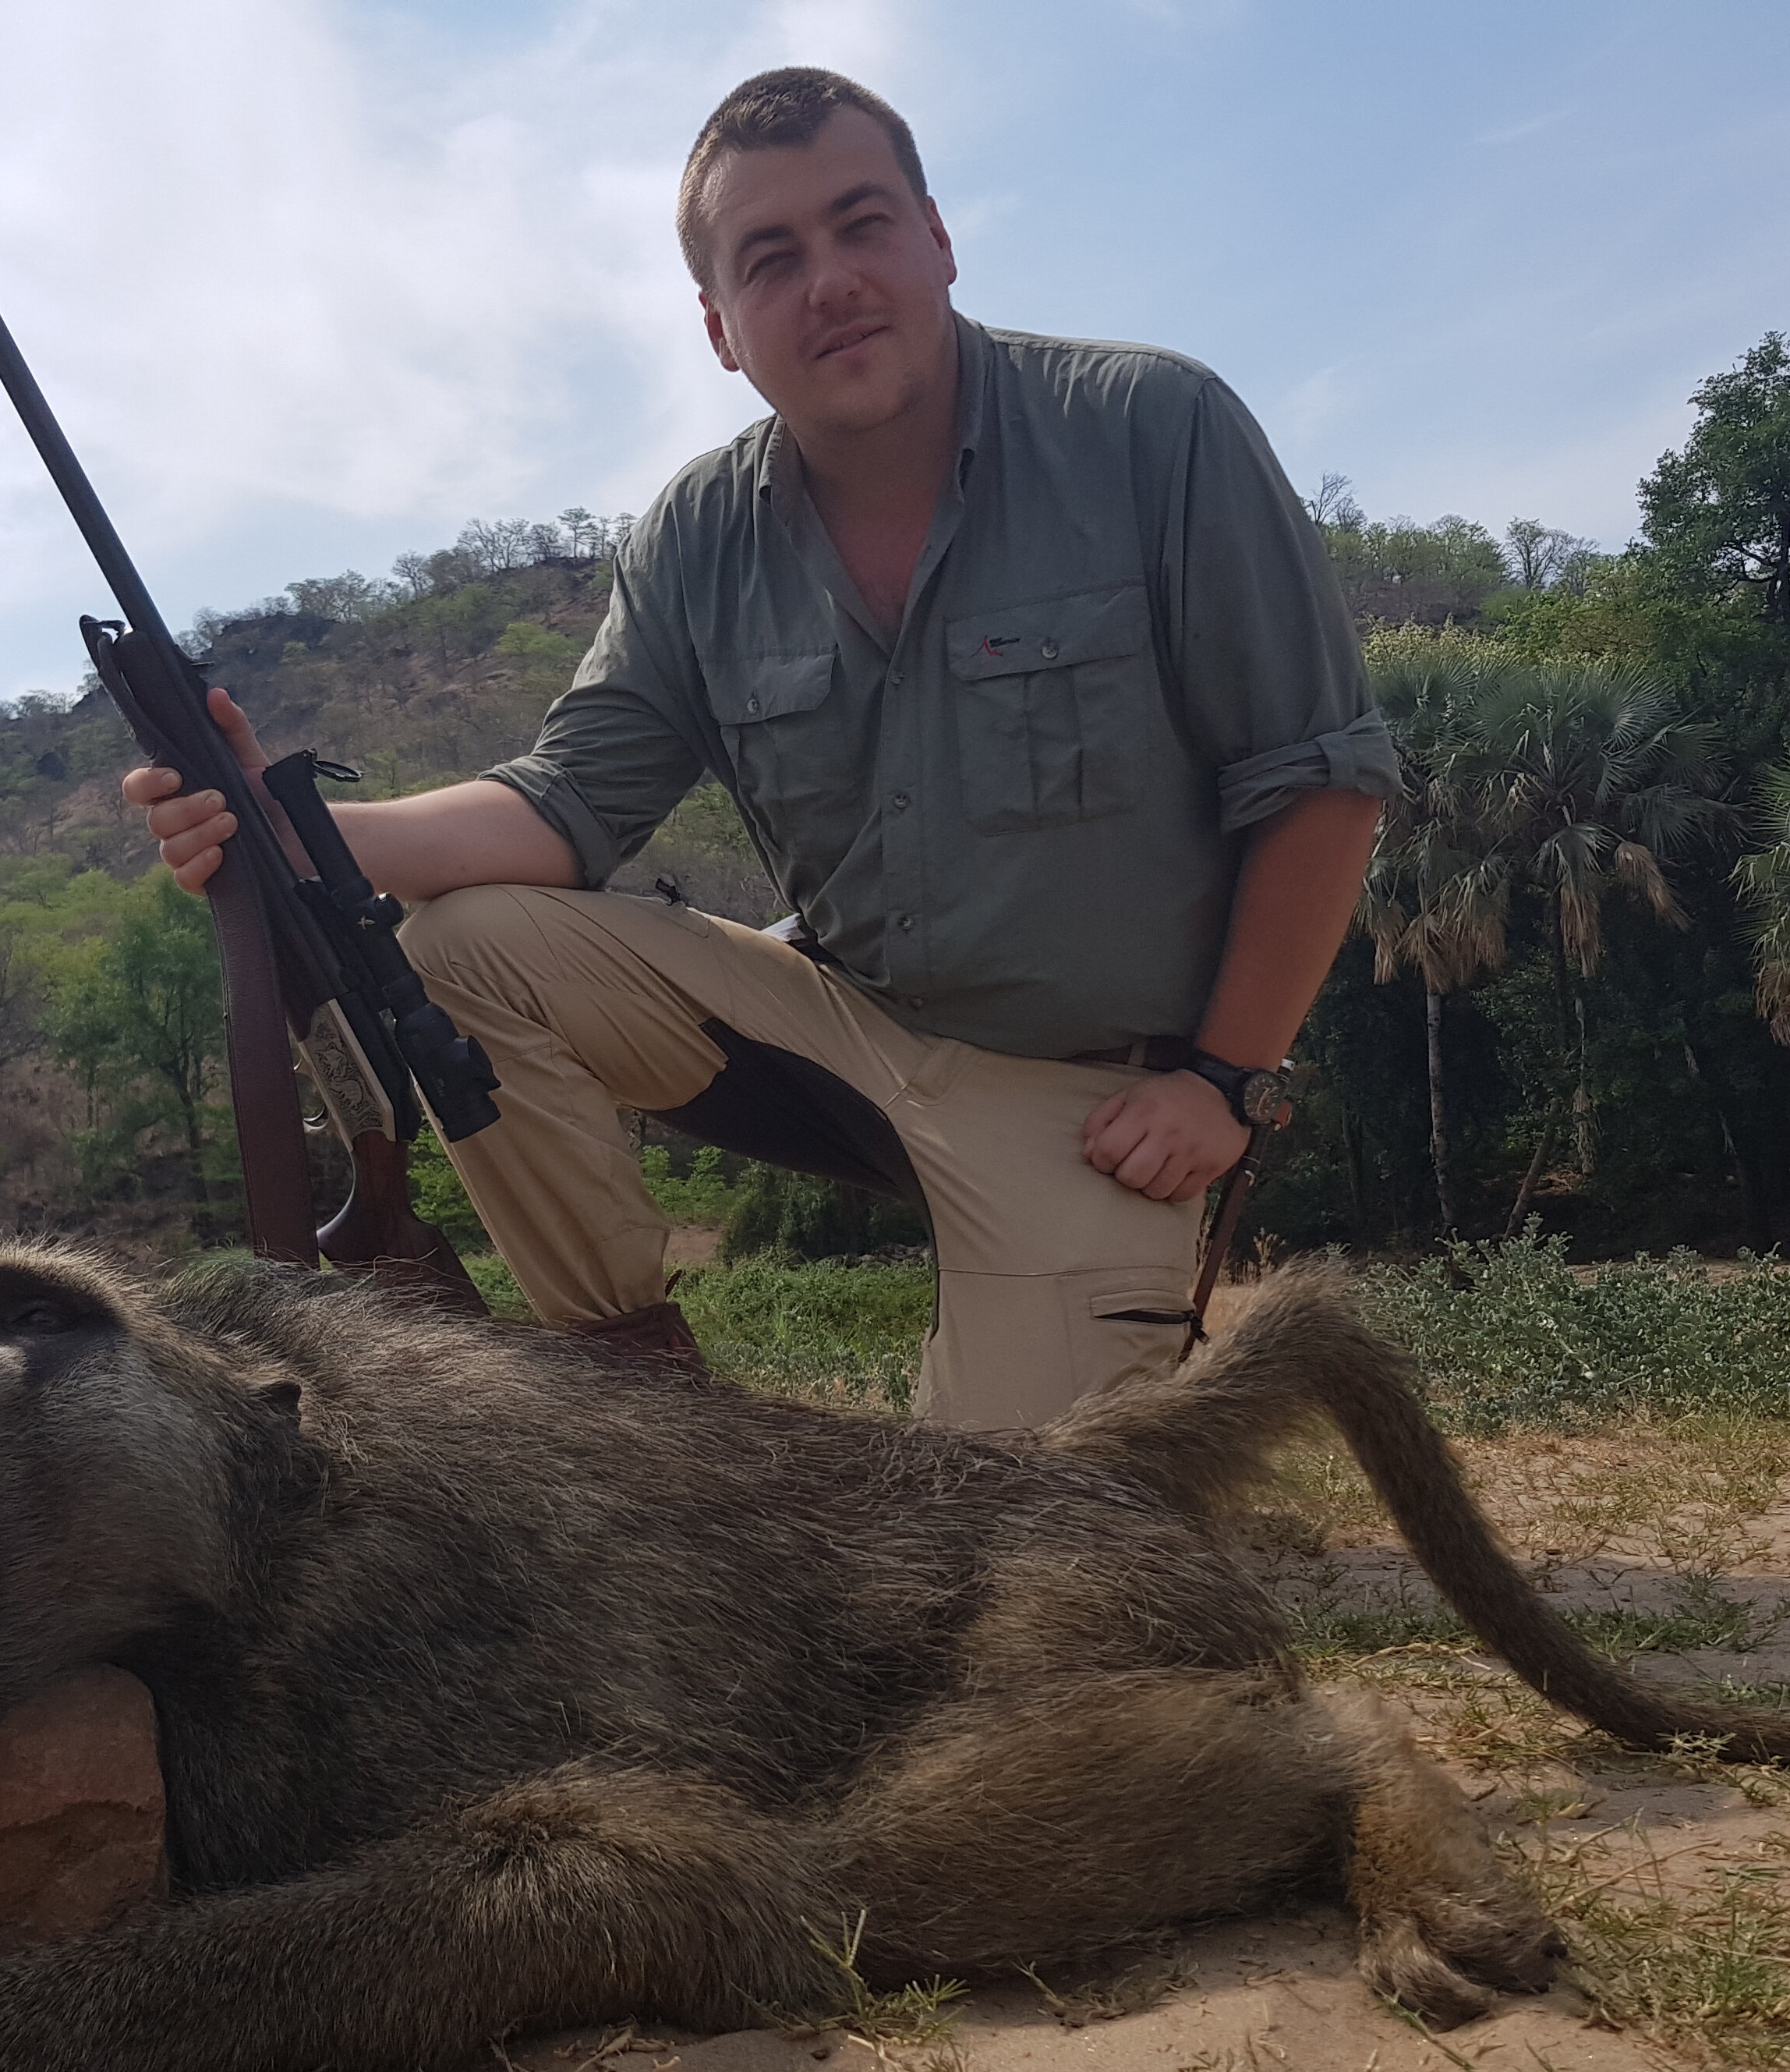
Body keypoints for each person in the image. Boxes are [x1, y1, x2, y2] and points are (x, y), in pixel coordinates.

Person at [128, 66, 1386, 1432]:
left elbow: (1318, 777)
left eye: (861, 225)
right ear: (722, 327)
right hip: (838, 1033)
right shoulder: (691, 533)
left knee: (988, 1556)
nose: (829, 281)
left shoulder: (1154, 429)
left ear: (937, 237)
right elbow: (563, 800)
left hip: (1102, 1098)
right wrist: (278, 821)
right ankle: (640, 1406)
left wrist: (1222, 1080)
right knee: (464, 942)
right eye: (770, 259)